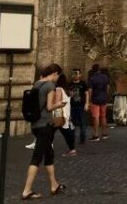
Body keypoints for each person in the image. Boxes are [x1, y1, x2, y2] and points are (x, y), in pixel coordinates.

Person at [21, 63, 66, 200]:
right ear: (54, 73)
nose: (57, 78)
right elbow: (49, 106)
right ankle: (27, 190)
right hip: (45, 125)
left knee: (49, 154)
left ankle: (54, 185)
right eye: (58, 75)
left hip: (35, 125)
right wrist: (60, 104)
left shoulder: (37, 83)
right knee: (37, 157)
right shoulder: (50, 86)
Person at [55, 74, 77, 157]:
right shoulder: (67, 90)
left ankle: (72, 149)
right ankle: (72, 149)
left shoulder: (58, 89)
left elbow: (57, 103)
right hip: (66, 113)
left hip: (60, 114)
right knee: (66, 132)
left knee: (63, 132)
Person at [87, 63, 110, 141]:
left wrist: (90, 100)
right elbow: (107, 88)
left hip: (95, 99)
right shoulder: (105, 77)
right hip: (103, 98)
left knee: (96, 117)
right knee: (103, 116)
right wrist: (105, 96)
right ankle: (104, 134)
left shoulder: (92, 79)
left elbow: (90, 90)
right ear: (99, 69)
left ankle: (96, 135)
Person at [68, 68, 89, 145]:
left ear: (80, 75)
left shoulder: (83, 83)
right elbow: (69, 95)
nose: (75, 75)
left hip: (81, 106)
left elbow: (87, 94)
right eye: (73, 73)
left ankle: (82, 139)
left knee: (82, 123)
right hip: (72, 106)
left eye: (77, 73)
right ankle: (72, 138)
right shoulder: (70, 84)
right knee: (72, 123)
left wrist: (87, 104)